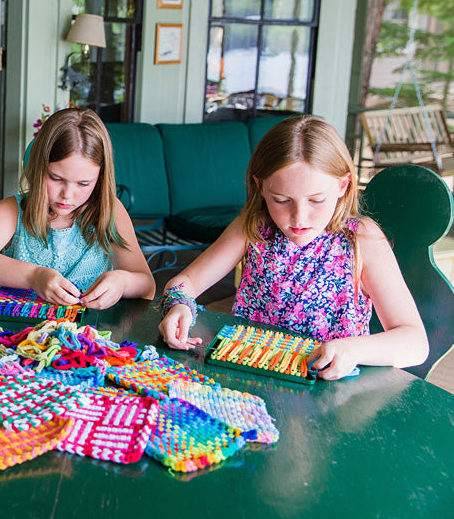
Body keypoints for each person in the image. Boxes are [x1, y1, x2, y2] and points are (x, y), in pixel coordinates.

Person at [158, 115, 428, 380]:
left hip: (329, 393)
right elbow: (187, 281)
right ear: (260, 187)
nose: (299, 218)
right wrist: (179, 305)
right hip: (251, 378)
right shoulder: (253, 226)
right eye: (282, 200)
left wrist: (353, 350)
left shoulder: (361, 239)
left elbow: (415, 342)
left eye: (317, 200)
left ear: (342, 186)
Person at [0, 107, 154, 309]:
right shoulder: (12, 211)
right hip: (21, 333)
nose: (67, 195)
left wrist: (122, 282)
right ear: (38, 168)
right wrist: (34, 276)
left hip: (91, 334)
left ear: (101, 178)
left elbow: (147, 285)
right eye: (56, 178)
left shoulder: (110, 211)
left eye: (83, 184)